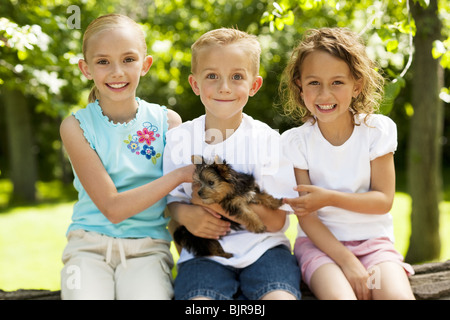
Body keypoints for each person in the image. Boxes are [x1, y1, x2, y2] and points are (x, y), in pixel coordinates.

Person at [59, 14, 194, 300]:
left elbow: (181, 202)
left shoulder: (168, 122)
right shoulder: (75, 126)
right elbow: (112, 208)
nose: (117, 71)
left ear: (145, 65)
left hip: (148, 249)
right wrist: (179, 174)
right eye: (103, 61)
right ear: (86, 68)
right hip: (87, 248)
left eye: (128, 59)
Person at [163, 28, 301, 300]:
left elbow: (275, 221)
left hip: (264, 250)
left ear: (254, 85)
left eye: (237, 76)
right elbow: (169, 204)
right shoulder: (179, 140)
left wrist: (214, 202)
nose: (224, 87)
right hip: (204, 256)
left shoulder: (268, 141)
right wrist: (185, 215)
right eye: (212, 76)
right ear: (195, 84)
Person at [281, 27, 415, 300]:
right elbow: (307, 217)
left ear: (357, 85)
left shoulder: (376, 130)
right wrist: (348, 262)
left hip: (374, 245)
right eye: (314, 83)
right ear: (299, 85)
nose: (324, 94)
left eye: (337, 83)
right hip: (321, 249)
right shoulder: (295, 141)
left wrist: (328, 197)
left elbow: (383, 200)